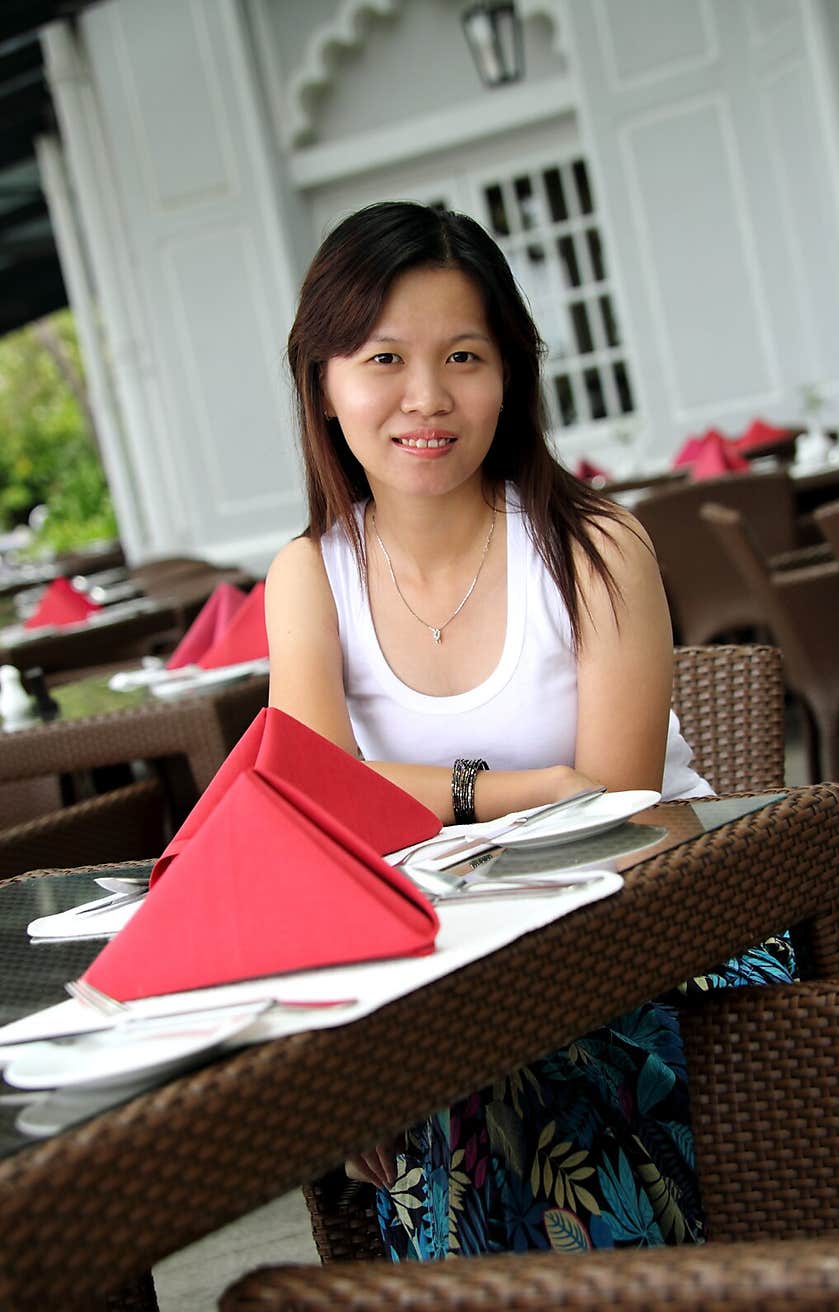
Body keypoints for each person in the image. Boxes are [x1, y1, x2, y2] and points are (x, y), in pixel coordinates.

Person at [266, 201, 794, 1259]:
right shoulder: (307, 578)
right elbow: (316, 813)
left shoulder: (591, 548)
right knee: (423, 1074)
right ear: (323, 384)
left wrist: (405, 785)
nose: (426, 397)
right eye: (382, 358)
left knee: (483, 1082)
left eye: (463, 354)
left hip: (661, 948)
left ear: (508, 373)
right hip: (445, 983)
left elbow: (613, 810)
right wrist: (512, 786)